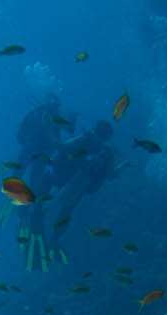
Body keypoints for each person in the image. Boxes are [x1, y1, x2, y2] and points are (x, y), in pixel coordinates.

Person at [15, 98, 120, 270]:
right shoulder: (107, 154)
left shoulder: (86, 138)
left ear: (95, 129)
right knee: (66, 210)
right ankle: (54, 241)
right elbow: (111, 175)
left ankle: (35, 214)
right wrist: (123, 167)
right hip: (78, 187)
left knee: (46, 180)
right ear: (108, 137)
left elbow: (62, 147)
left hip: (61, 176)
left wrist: (51, 133)